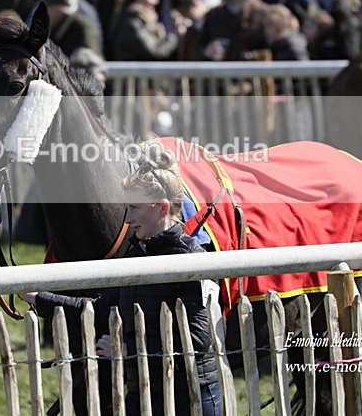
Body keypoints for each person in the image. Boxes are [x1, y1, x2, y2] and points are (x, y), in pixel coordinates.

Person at [17, 143, 222, 415]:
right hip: (144, 392)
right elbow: (102, 309)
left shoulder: (194, 259)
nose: (127, 217)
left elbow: (196, 339)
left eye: (134, 207)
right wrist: (38, 298)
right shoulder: (134, 254)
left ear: (161, 209)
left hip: (191, 396)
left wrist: (128, 350)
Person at [109, 0, 178, 61]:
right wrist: (174, 36)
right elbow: (154, 52)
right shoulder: (132, 23)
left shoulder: (144, 21)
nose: (156, 1)